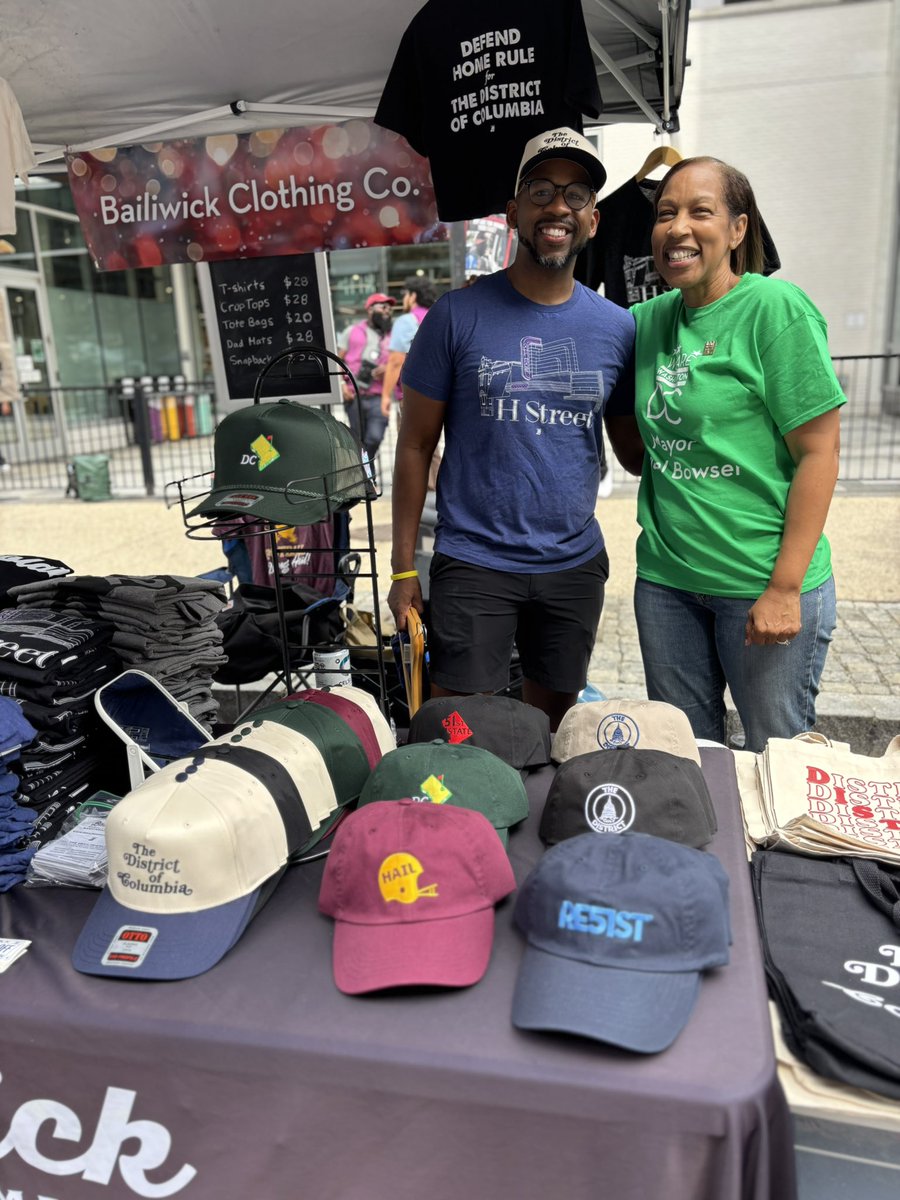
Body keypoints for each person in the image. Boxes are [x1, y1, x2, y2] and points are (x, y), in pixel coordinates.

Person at [387, 128, 639, 730]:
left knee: (551, 728)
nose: (558, 207)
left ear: (593, 220)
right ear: (513, 212)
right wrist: (402, 569)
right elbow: (415, 444)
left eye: (576, 195)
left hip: (573, 564)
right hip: (474, 561)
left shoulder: (618, 328)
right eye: (541, 191)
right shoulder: (456, 316)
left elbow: (635, 450)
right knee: (457, 732)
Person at [630, 155, 844, 752]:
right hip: (667, 584)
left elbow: (821, 454)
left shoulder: (774, 309)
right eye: (666, 213)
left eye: (701, 212)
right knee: (685, 760)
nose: (678, 228)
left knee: (775, 756)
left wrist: (785, 588)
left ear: (738, 229)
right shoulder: (646, 321)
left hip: (760, 581)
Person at [337, 293, 397, 467]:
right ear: (370, 309)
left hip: (378, 396)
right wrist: (341, 385)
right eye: (383, 307)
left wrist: (387, 369)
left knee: (375, 437)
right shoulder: (352, 331)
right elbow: (337, 360)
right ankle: (367, 476)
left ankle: (363, 472)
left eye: (390, 308)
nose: (387, 311)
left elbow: (400, 362)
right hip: (354, 395)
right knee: (358, 439)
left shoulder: (393, 336)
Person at [380, 276, 437, 421]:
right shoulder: (439, 318)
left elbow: (396, 362)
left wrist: (385, 396)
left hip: (413, 397)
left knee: (411, 436)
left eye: (405, 294)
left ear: (413, 296)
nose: (404, 298)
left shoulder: (406, 321)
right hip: (439, 397)